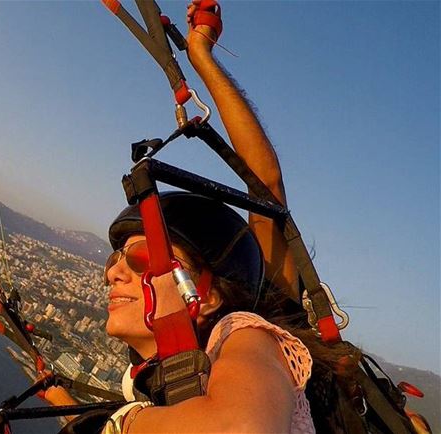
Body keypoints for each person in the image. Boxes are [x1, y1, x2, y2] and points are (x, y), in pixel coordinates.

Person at [43, 1, 345, 432]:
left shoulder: (245, 337)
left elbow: (264, 185)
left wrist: (200, 57)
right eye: (115, 260)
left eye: (141, 259)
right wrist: (66, 403)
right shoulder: (156, 373)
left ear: (204, 295)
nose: (112, 274)